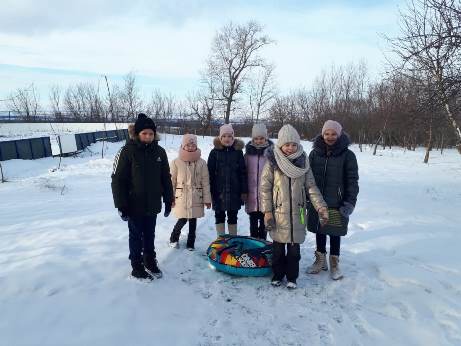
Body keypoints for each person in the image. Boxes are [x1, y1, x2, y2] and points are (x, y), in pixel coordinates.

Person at [260, 124, 329, 289]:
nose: (290, 148)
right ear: (280, 145)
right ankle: (277, 275)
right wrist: (267, 212)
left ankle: (292, 277)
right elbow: (264, 188)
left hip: (298, 214)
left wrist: (321, 207)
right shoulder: (272, 162)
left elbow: (311, 187)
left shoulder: (303, 162)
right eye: (287, 144)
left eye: (294, 144)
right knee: (277, 251)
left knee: (294, 252)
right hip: (278, 214)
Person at [111, 113, 173, 280]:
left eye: (151, 133)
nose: (148, 136)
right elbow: (118, 180)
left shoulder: (160, 152)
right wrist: (121, 204)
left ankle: (149, 260)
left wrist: (168, 199)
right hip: (134, 204)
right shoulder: (127, 151)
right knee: (136, 235)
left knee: (150, 234)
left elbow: (166, 177)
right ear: (137, 133)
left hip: (152, 203)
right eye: (144, 133)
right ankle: (136, 266)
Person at [306, 120, 359, 280]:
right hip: (317, 201)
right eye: (327, 133)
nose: (330, 137)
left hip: (337, 203)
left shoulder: (348, 155)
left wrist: (349, 202)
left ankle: (334, 262)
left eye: (334, 134)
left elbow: (352, 180)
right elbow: (308, 178)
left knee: (335, 232)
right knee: (319, 230)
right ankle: (320, 260)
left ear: (339, 134)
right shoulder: (315, 153)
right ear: (322, 134)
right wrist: (308, 198)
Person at [169, 134, 211, 250]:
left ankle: (190, 243)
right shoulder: (176, 162)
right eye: (188, 145)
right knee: (182, 219)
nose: (191, 147)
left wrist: (207, 199)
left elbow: (205, 182)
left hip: (196, 196)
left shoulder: (202, 162)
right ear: (183, 146)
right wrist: (170, 198)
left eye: (193, 145)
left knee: (193, 221)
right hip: (181, 196)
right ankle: (173, 238)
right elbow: (171, 181)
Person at [207, 124, 247, 236]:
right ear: (220, 138)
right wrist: (209, 191)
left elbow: (243, 173)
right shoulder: (214, 153)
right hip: (218, 191)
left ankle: (232, 239)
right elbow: (209, 173)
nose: (227, 139)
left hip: (235, 191)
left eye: (229, 136)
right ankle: (222, 240)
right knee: (219, 215)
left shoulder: (238, 152)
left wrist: (244, 191)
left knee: (233, 216)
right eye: (224, 136)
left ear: (233, 137)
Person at [244, 123, 273, 239]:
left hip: (265, 195)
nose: (259, 141)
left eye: (261, 138)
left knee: (264, 221)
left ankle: (262, 242)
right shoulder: (247, 155)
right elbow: (243, 172)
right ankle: (253, 242)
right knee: (252, 221)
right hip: (252, 194)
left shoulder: (271, 154)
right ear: (253, 139)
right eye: (256, 138)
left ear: (266, 138)